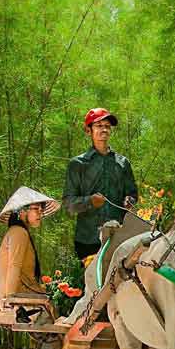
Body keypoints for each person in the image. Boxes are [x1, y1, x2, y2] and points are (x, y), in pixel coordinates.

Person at [63, 107, 138, 263]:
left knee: (120, 285)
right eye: (99, 125)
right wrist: (90, 201)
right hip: (88, 240)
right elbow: (69, 204)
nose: (104, 129)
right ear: (88, 130)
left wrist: (129, 200)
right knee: (92, 285)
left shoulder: (122, 163)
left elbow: (133, 195)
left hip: (119, 238)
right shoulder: (78, 164)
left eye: (107, 126)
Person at [0, 187, 60, 324]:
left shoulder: (17, 231)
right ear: (21, 211)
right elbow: (14, 266)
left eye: (41, 209)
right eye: (36, 209)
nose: (40, 213)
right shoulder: (19, 232)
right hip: (15, 296)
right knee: (61, 307)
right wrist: (9, 299)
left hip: (18, 292)